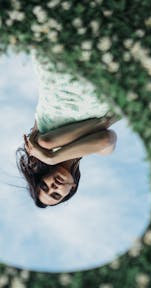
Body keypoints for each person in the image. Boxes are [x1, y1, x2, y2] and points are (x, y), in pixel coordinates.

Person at [17, 48, 123, 208]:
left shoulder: (41, 144)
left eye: (44, 186)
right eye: (55, 194)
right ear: (72, 189)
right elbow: (106, 139)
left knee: (46, 142)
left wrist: (100, 124)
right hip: (100, 87)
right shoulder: (95, 149)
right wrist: (51, 158)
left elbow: (45, 132)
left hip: (60, 76)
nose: (52, 187)